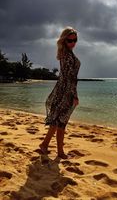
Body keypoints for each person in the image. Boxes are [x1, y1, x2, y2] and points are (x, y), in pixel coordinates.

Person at [39, 26, 81, 159]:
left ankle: (45, 145)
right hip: (65, 93)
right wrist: (74, 95)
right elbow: (70, 78)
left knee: (56, 122)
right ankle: (60, 153)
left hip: (61, 90)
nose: (73, 43)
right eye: (70, 40)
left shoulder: (66, 53)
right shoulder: (67, 56)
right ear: (64, 40)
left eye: (75, 40)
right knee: (62, 123)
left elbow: (68, 78)